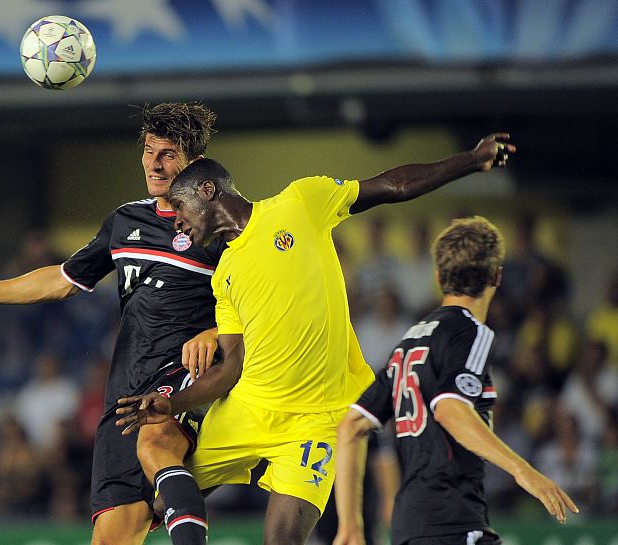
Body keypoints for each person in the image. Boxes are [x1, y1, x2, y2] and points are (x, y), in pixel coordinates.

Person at [116, 134, 518, 545]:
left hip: (317, 421)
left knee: (283, 539)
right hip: (249, 411)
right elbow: (231, 367)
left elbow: (393, 186)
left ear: (207, 190)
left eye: (180, 208)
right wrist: (173, 404)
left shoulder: (300, 202)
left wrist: (471, 160)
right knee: (151, 501)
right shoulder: (225, 276)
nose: (177, 221)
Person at [0, 102, 223, 545]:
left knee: (157, 442)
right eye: (149, 151)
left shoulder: (222, 229)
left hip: (187, 377)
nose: (154, 164)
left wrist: (215, 333)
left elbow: (258, 304)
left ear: (193, 162)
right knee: (111, 538)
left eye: (168, 153)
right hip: (125, 392)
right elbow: (59, 280)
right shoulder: (125, 221)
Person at [332, 216, 579, 545]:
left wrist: (349, 526)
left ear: (438, 277)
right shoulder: (469, 332)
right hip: (451, 522)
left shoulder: (409, 342)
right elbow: (449, 408)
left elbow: (351, 426)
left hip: (409, 527)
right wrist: (522, 469)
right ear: (496, 276)